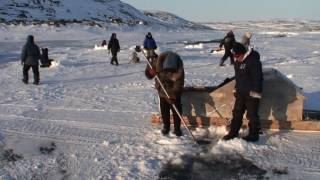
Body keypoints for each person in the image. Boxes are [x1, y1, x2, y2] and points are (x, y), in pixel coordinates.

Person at [222, 42, 263, 142]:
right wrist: (236, 88)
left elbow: (258, 78)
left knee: (252, 115)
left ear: (243, 53)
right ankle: (233, 132)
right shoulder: (237, 62)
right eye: (234, 56)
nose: (235, 58)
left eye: (237, 55)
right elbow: (238, 78)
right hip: (241, 92)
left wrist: (256, 92)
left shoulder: (253, 61)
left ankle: (253, 135)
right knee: (236, 113)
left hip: (251, 93)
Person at [145, 51, 184, 136]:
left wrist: (173, 96)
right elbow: (148, 72)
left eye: (171, 71)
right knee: (164, 109)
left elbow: (178, 83)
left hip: (173, 90)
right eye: (167, 71)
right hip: (162, 89)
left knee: (176, 109)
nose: (169, 73)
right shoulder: (157, 61)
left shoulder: (179, 67)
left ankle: (177, 129)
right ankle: (166, 126)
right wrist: (150, 72)